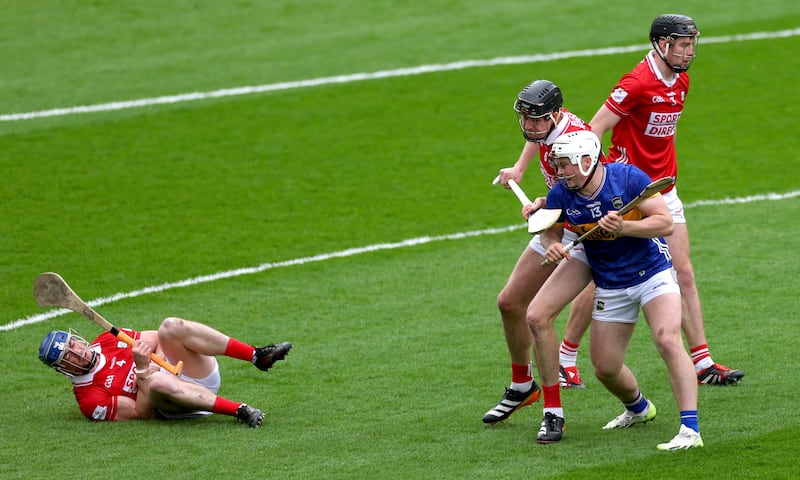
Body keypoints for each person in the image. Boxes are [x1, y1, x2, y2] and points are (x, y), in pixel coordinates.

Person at [588, 13, 743, 385]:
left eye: (692, 43)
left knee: (683, 270)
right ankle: (565, 356)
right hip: (630, 196)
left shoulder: (681, 80)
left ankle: (703, 363)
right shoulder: (636, 83)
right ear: (661, 44)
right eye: (682, 43)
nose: (689, 51)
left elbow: (660, 136)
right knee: (597, 276)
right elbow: (594, 130)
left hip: (663, 190)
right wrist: (609, 180)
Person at [535, 129, 702, 450]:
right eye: (558, 164)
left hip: (653, 272)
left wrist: (625, 226)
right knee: (605, 368)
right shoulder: (561, 194)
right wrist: (552, 245)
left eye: (565, 164)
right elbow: (549, 232)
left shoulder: (628, 179)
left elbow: (665, 223)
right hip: (610, 281)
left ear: (586, 161)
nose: (560, 170)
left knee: (667, 339)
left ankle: (690, 430)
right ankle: (639, 409)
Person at [483, 79, 600, 427]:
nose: (530, 126)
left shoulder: (573, 142)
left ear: (557, 114)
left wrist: (544, 209)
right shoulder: (548, 130)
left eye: (537, 120)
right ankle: (523, 386)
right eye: (526, 119)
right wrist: (520, 169)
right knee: (509, 303)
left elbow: (588, 193)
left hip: (579, 231)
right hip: (557, 217)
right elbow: (538, 140)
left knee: (539, 317)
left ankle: (556, 407)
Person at [38, 317, 292, 427]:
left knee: (170, 326)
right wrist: (143, 369)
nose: (76, 352)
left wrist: (150, 362)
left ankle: (257, 356)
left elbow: (157, 339)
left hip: (189, 371)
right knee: (157, 382)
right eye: (67, 356)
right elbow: (143, 413)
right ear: (63, 368)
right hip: (174, 402)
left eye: (72, 345)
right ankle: (240, 410)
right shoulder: (89, 399)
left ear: (77, 338)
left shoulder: (106, 339)